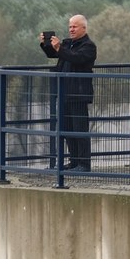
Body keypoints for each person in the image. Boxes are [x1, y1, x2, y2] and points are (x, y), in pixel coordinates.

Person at [39, 15, 97, 171]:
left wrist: (60, 48)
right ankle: (74, 161)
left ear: (83, 28)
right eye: (70, 26)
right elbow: (54, 54)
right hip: (64, 93)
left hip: (79, 95)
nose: (71, 29)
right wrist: (45, 44)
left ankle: (84, 164)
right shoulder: (67, 43)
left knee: (80, 130)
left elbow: (76, 58)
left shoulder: (88, 46)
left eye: (75, 27)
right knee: (67, 130)